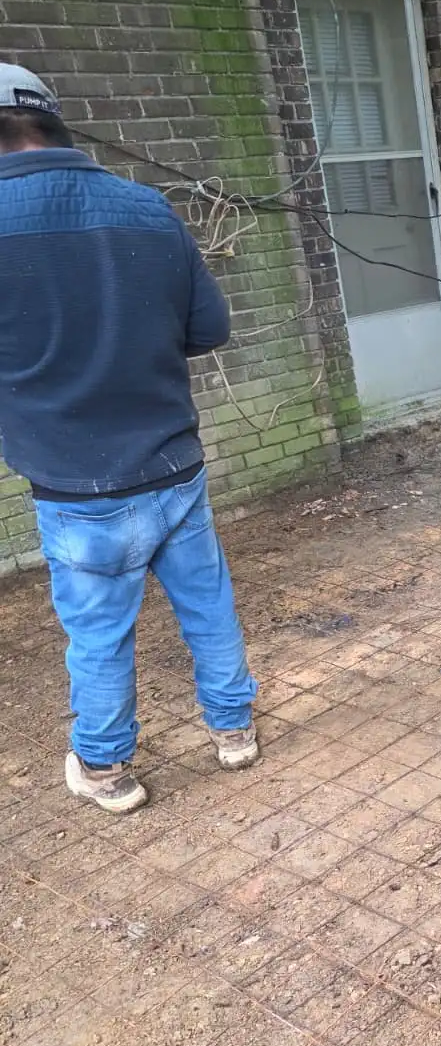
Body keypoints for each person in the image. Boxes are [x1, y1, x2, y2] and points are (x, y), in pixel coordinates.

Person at [0, 63, 259, 815]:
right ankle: (234, 730)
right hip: (174, 467)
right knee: (208, 605)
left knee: (100, 633)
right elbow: (210, 328)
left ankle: (108, 768)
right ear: (54, 122)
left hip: (76, 487)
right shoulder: (146, 208)